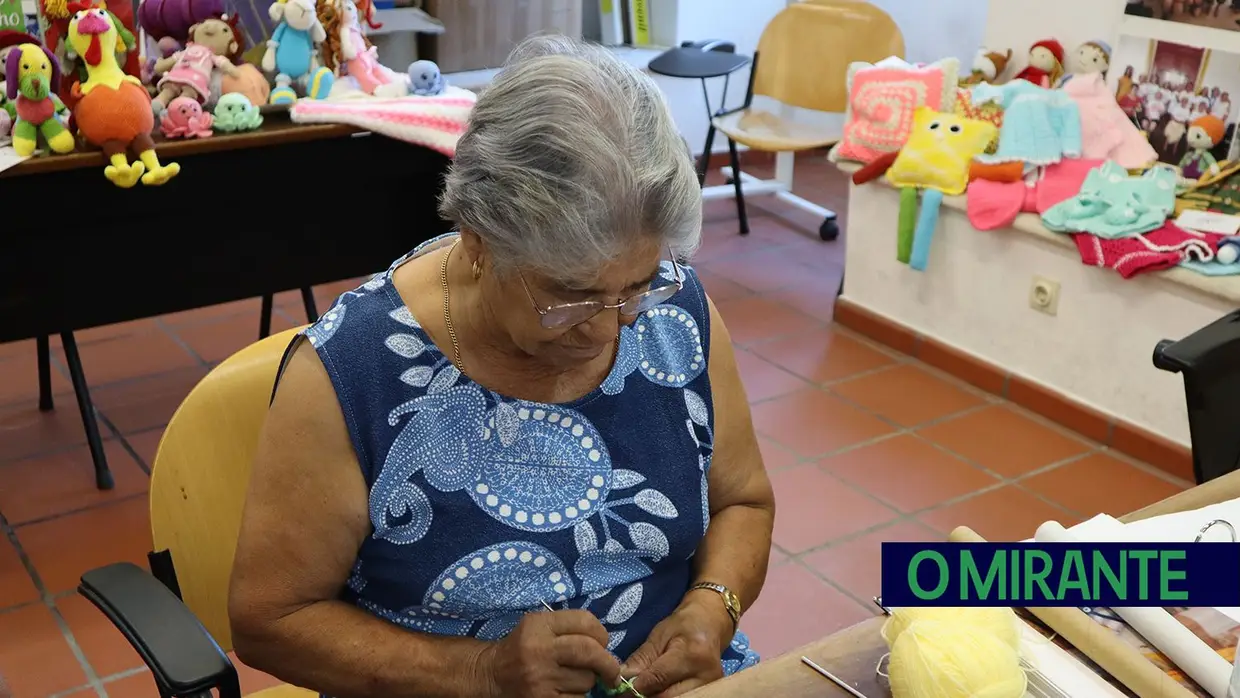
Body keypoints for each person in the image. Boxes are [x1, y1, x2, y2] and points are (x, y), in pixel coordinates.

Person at [228, 34, 775, 698]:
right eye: (571, 295)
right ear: (479, 240)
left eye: (636, 286)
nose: (611, 327)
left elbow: (743, 500)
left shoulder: (672, 308)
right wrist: (480, 672)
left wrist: (712, 609)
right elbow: (270, 619)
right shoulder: (352, 373)